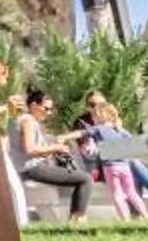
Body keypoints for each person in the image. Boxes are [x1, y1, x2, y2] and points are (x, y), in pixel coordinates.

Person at [82, 93, 148, 213]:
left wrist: (119, 129)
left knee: (132, 165)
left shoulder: (113, 121)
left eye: (101, 104)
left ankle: (140, 214)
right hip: (100, 166)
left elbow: (129, 142)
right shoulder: (83, 123)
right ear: (87, 107)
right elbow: (87, 148)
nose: (96, 107)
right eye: (92, 104)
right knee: (132, 163)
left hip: (120, 163)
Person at [11, 89, 95, 220]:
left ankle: (76, 218)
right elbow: (30, 149)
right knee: (85, 179)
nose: (49, 113)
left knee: (82, 178)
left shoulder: (26, 120)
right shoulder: (27, 121)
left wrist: (52, 151)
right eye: (46, 108)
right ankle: (78, 219)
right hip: (31, 168)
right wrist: (55, 147)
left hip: (28, 167)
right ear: (33, 106)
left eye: (51, 109)